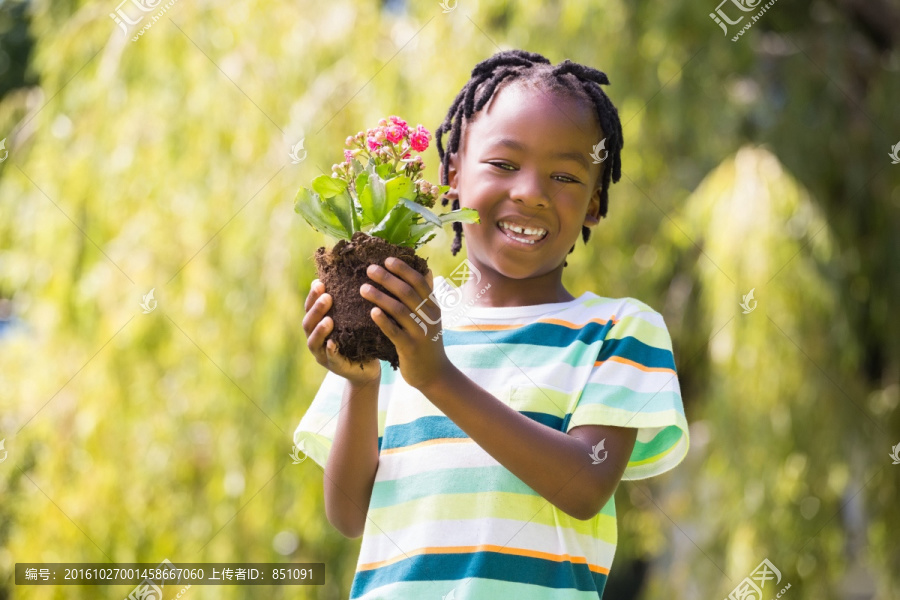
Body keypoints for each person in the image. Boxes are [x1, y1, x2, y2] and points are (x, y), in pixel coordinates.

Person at [295, 49, 689, 600]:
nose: (530, 190)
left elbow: (585, 485)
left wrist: (438, 377)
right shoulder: (405, 319)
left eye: (565, 175)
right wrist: (361, 384)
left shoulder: (618, 330)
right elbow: (350, 513)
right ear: (450, 176)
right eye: (504, 165)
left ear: (595, 202)